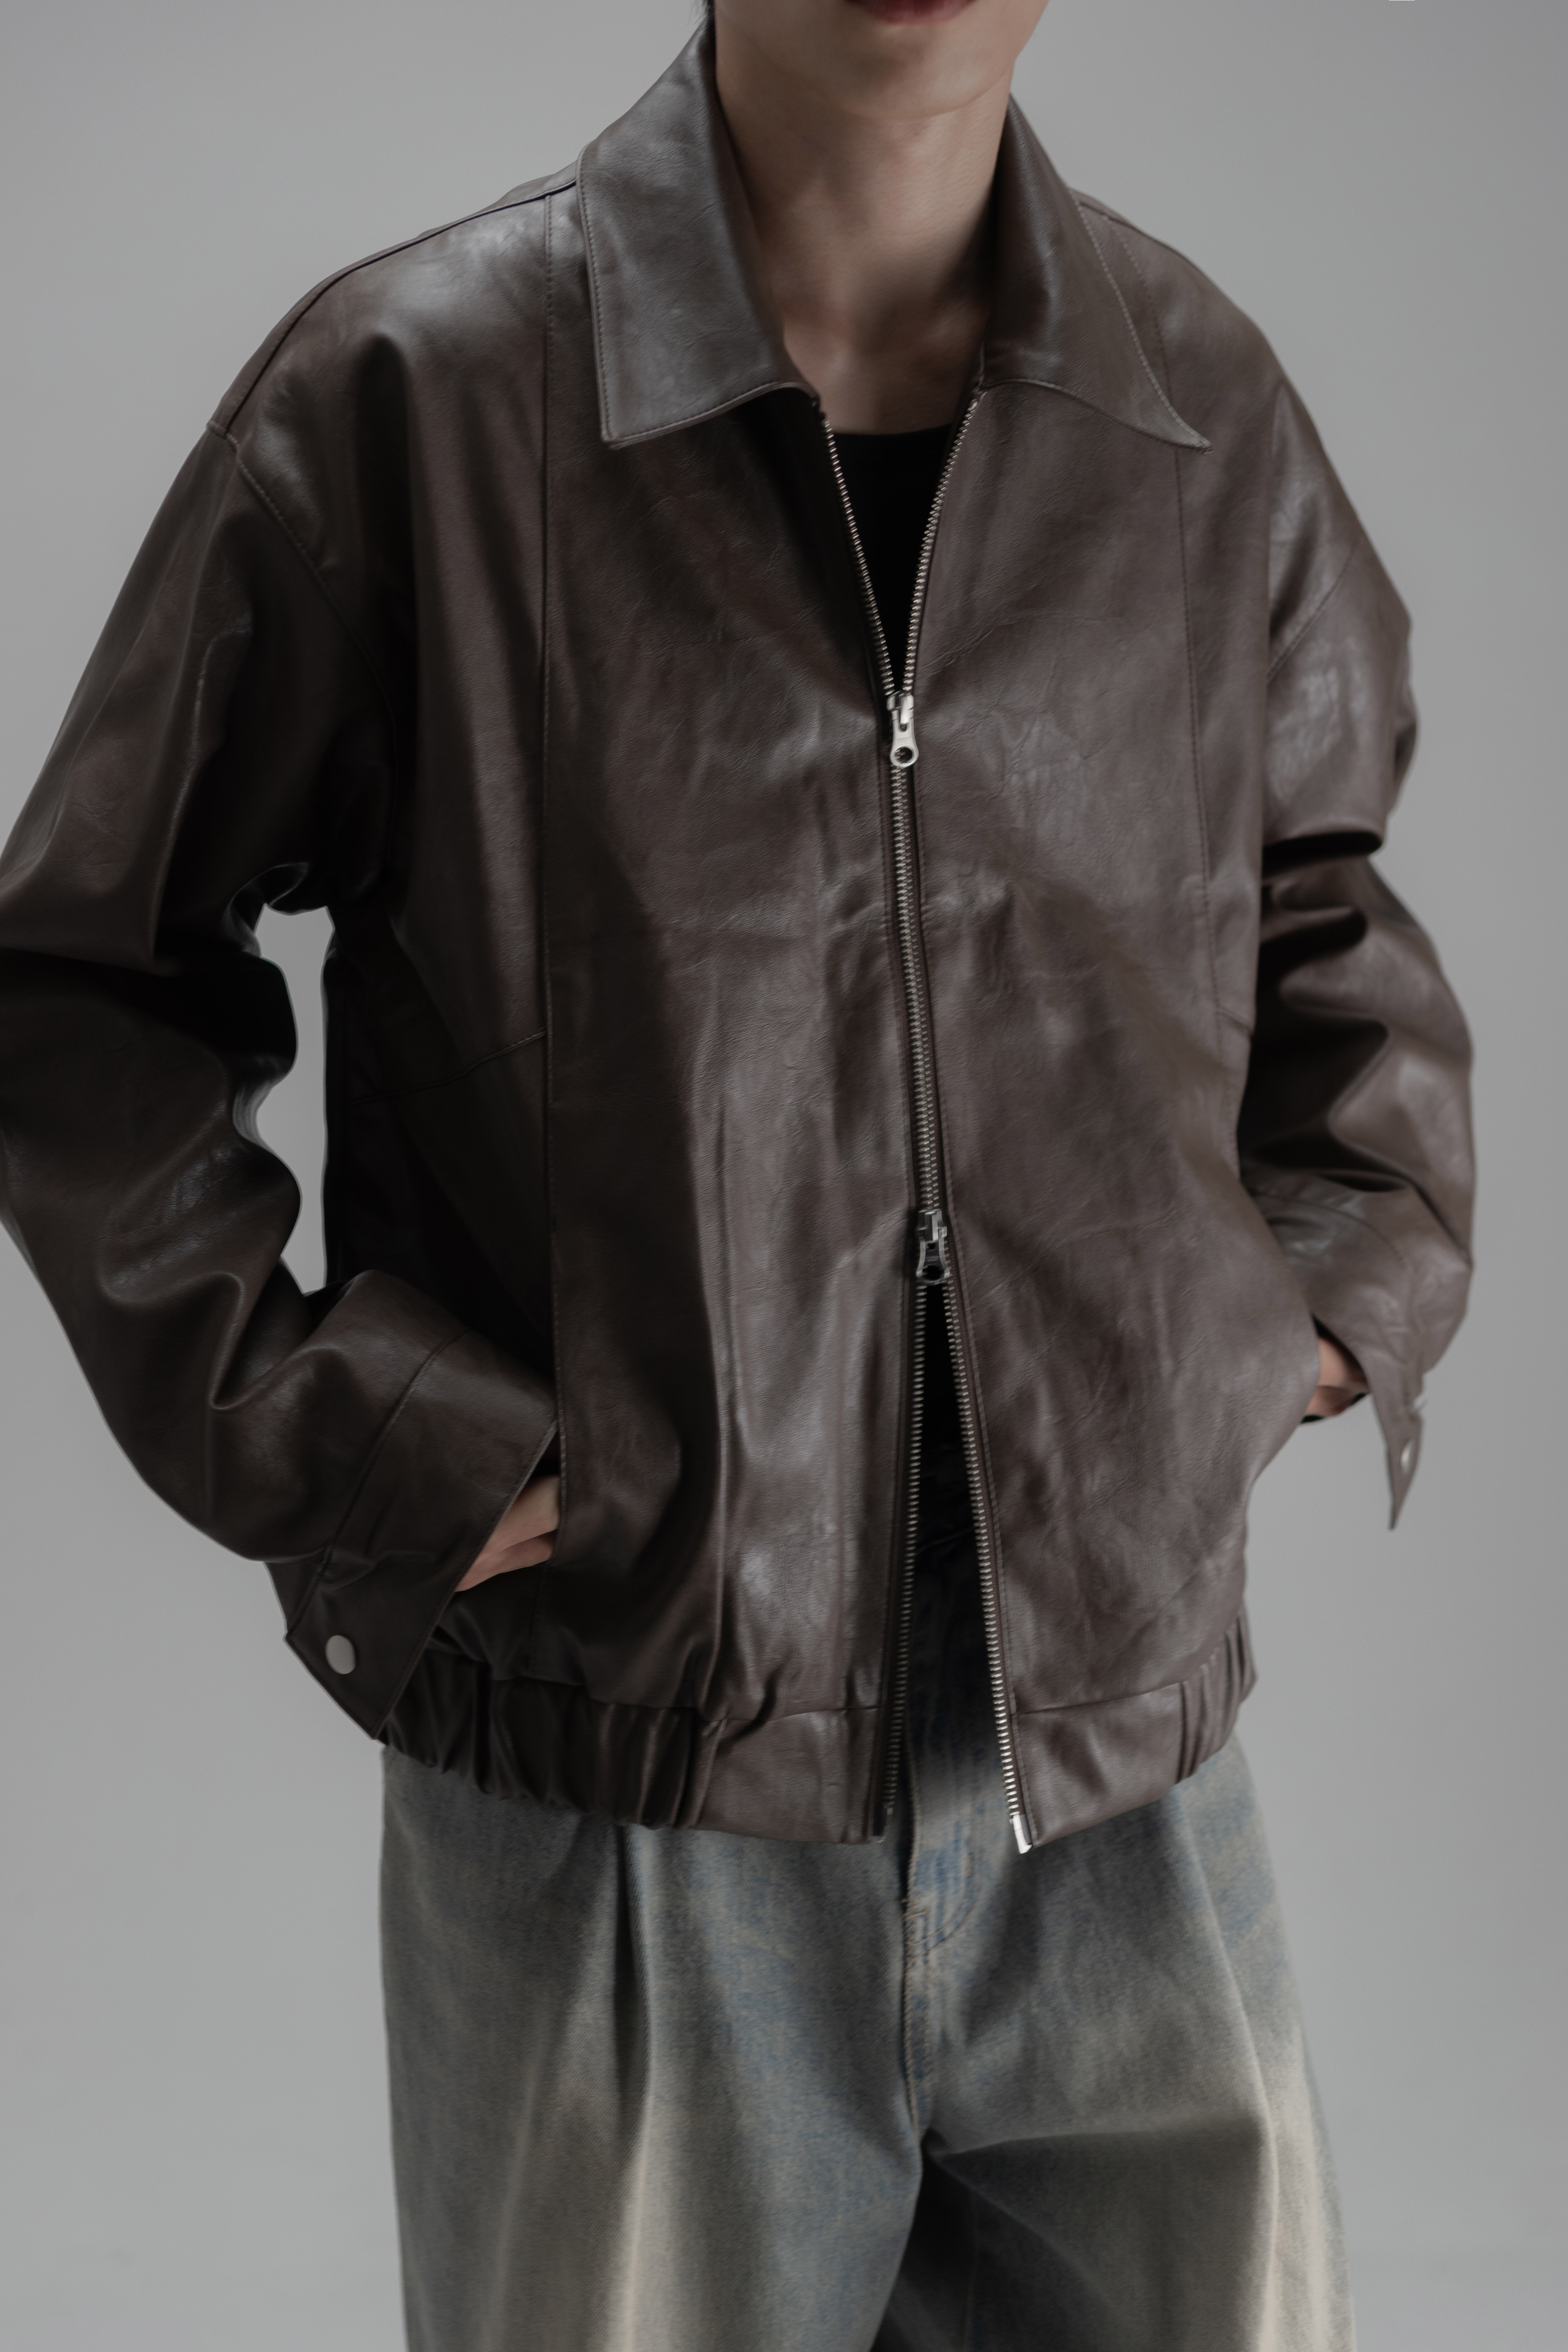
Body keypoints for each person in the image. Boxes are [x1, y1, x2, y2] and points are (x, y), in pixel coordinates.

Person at [0, 0, 1473, 2345]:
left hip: (1122, 1779)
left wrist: (1308, 1306)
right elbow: (82, 981)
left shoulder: (1195, 405)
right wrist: (358, 1434)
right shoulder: (417, 401)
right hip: (628, 1767)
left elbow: (1325, 906)